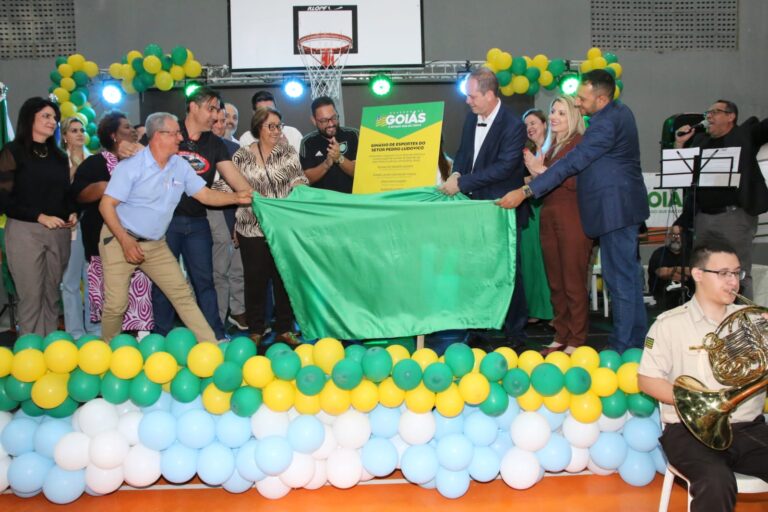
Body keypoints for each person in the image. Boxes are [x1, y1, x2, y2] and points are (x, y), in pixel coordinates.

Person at [497, 69, 649, 353]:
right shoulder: (613, 115)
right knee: (623, 280)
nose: (578, 103)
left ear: (601, 99)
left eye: (582, 98)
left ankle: (623, 347)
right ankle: (635, 344)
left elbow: (573, 163)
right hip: (613, 211)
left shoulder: (606, 124)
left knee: (620, 282)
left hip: (616, 210)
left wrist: (527, 190)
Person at [638, 239, 768, 512]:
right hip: (689, 431)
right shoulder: (668, 324)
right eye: (724, 274)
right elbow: (647, 380)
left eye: (737, 273)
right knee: (715, 481)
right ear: (698, 274)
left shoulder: (754, 320)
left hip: (748, 427)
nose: (734, 282)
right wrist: (700, 402)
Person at [98, 112, 251, 342]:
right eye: (175, 133)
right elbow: (106, 206)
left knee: (182, 295)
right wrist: (125, 240)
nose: (181, 137)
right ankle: (106, 352)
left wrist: (237, 198)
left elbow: (205, 195)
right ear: (159, 135)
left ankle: (211, 347)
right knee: (116, 304)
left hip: (155, 244)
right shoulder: (132, 166)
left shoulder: (180, 165)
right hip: (120, 238)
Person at [148, 86, 252, 341]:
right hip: (164, 222)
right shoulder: (170, 132)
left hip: (197, 222)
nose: (216, 116)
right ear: (193, 107)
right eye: (211, 109)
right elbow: (140, 156)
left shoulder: (215, 143)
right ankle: (159, 337)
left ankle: (214, 335)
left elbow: (237, 181)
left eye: (218, 110)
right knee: (163, 282)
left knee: (205, 281)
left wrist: (251, 195)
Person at [440, 67, 529, 348]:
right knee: (476, 272)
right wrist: (457, 172)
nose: (468, 101)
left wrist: (463, 182)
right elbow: (465, 154)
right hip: (474, 211)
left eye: (472, 96)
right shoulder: (470, 120)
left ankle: (516, 333)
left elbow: (504, 168)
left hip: (501, 210)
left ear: (490, 95)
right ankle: (479, 329)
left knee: (508, 273)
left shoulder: (514, 126)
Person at [221, 106, 308, 346]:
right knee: (255, 281)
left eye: (279, 126)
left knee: (284, 280)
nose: (277, 131)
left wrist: (302, 188)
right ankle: (256, 328)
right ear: (259, 127)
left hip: (282, 229)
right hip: (251, 228)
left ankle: (285, 329)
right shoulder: (241, 156)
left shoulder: (287, 152)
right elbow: (225, 188)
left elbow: (299, 178)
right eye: (271, 126)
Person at [674, 100, 768, 300]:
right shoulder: (700, 141)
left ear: (731, 116)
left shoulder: (745, 135)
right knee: (704, 270)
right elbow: (682, 175)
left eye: (715, 112)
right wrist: (681, 143)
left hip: (734, 217)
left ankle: (745, 321)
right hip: (704, 218)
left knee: (737, 272)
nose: (709, 116)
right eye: (707, 112)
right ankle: (710, 319)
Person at [72, 111, 154, 334]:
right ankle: (110, 343)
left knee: (139, 292)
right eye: (126, 128)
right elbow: (78, 195)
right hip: (103, 241)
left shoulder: (144, 161)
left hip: (139, 240)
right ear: (113, 136)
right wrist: (106, 187)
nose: (133, 131)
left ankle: (140, 336)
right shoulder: (94, 164)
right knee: (112, 300)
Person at [0, 97, 76, 335]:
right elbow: (4, 200)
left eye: (54, 117)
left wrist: (73, 211)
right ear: (29, 118)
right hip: (25, 231)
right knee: (31, 297)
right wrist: (39, 216)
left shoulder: (60, 157)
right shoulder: (12, 152)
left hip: (59, 232)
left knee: (52, 296)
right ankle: (30, 357)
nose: (52, 121)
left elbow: (64, 194)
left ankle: (50, 352)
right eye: (46, 116)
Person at [524, 96, 593, 355]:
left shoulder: (580, 143)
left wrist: (541, 172)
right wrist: (536, 171)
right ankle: (561, 334)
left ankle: (576, 338)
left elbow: (575, 182)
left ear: (574, 117)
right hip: (549, 216)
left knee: (572, 281)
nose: (553, 117)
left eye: (561, 113)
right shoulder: (552, 147)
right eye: (553, 111)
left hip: (572, 217)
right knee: (555, 281)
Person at [59, 116, 99, 338]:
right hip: (71, 225)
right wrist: (74, 165)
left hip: (92, 224)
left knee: (92, 277)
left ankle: (94, 329)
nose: (79, 134)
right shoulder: (58, 161)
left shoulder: (94, 160)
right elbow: (61, 191)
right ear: (64, 136)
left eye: (82, 130)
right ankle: (75, 332)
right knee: (71, 281)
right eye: (73, 130)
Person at [208, 105, 247, 330]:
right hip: (206, 212)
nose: (223, 125)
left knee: (238, 267)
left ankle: (239, 311)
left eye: (226, 121)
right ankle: (218, 318)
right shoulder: (194, 148)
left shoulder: (235, 149)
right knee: (217, 270)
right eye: (219, 120)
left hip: (234, 211)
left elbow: (242, 186)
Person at [519, 109, 553, 326]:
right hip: (531, 209)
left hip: (550, 207)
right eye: (526, 125)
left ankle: (553, 311)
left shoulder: (556, 148)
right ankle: (535, 308)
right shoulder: (524, 152)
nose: (530, 127)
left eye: (533, 122)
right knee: (530, 258)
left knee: (550, 260)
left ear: (544, 124)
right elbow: (519, 179)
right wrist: (531, 175)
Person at [300, 96, 358, 194]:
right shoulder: (307, 142)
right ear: (314, 120)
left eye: (334, 118)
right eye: (324, 120)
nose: (331, 124)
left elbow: (360, 173)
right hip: (322, 204)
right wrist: (326, 164)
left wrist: (339, 158)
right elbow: (306, 179)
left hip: (351, 200)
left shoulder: (353, 135)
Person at [647, 224, 692, 311]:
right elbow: (662, 273)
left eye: (679, 235)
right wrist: (681, 270)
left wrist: (670, 270)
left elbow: (695, 271)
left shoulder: (690, 254)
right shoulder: (659, 253)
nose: (676, 237)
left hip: (688, 300)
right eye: (673, 234)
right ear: (667, 237)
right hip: (662, 300)